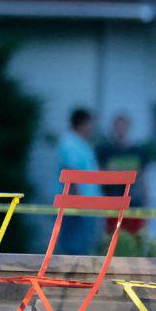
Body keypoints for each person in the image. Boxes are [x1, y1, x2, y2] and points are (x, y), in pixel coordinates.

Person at [54, 108, 103, 257]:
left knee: (84, 246)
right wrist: (77, 201)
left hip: (87, 204)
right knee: (74, 247)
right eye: (90, 124)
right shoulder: (70, 142)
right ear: (83, 124)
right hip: (78, 204)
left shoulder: (81, 143)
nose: (92, 128)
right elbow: (71, 172)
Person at [95, 113, 150, 235]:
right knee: (112, 237)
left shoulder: (138, 151)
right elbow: (100, 175)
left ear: (128, 127)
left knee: (135, 237)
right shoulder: (105, 151)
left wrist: (146, 201)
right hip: (112, 201)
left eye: (123, 126)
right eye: (117, 127)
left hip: (134, 202)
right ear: (113, 128)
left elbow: (142, 179)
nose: (120, 130)